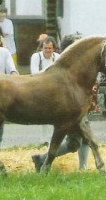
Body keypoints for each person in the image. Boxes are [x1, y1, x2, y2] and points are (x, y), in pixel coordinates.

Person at [32, 33, 92, 171]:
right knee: (77, 140)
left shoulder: (75, 61)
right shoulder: (66, 63)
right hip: (68, 105)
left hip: (76, 103)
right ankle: (43, 160)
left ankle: (43, 159)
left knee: (79, 139)